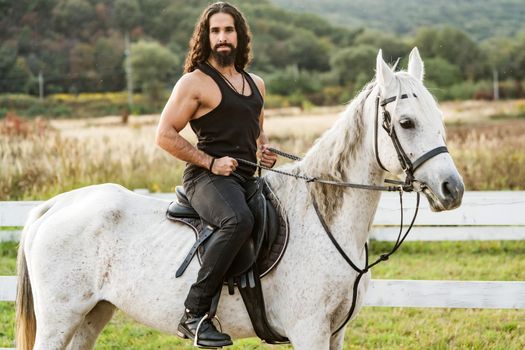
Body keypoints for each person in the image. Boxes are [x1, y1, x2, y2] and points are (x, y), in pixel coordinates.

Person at [155, 2, 277, 348]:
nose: (222, 37)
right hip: (206, 178)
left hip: (246, 177)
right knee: (237, 221)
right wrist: (210, 163)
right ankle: (194, 314)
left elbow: (255, 131)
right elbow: (164, 135)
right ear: (206, 38)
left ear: (239, 35)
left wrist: (263, 150)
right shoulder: (194, 83)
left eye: (228, 30)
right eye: (215, 31)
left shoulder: (256, 84)